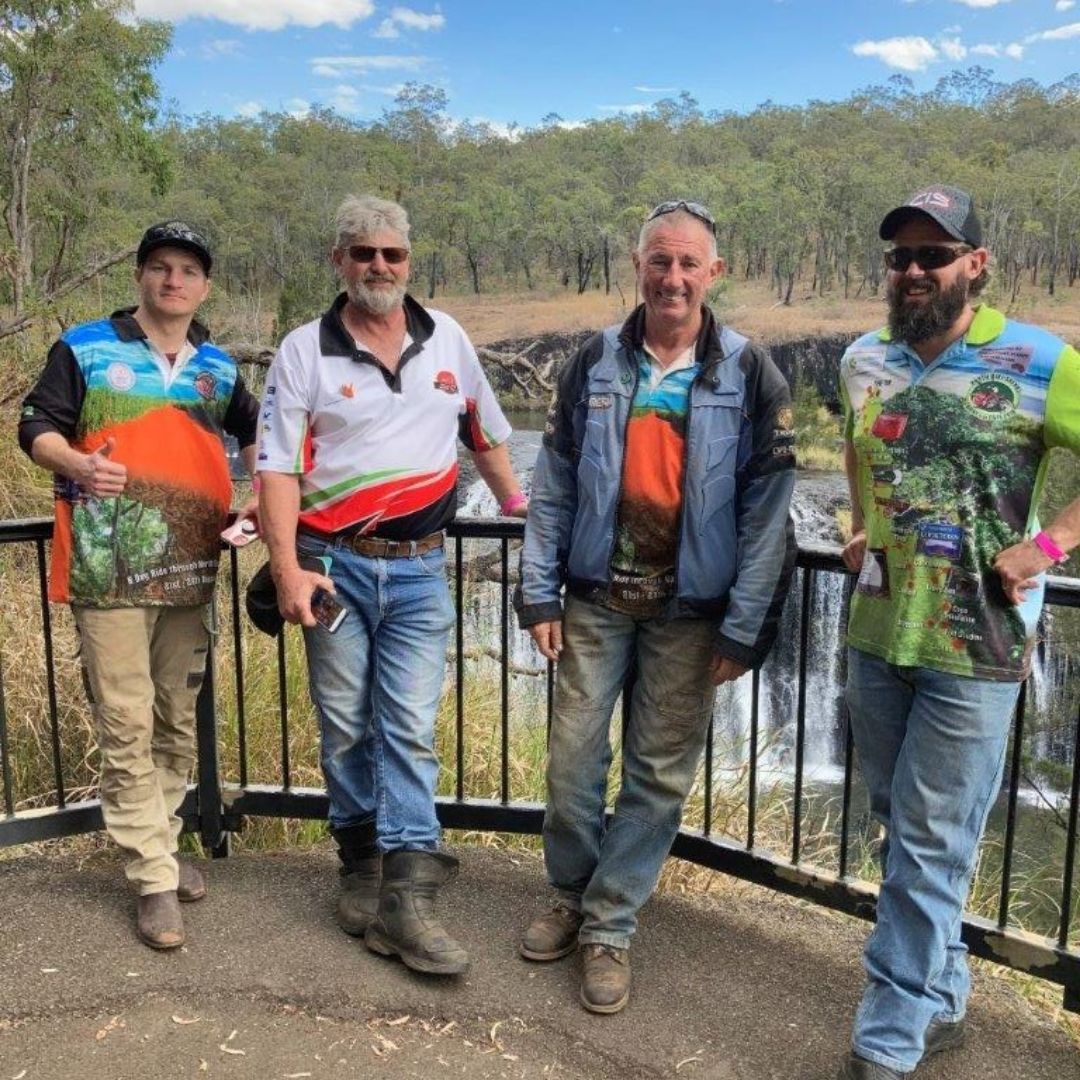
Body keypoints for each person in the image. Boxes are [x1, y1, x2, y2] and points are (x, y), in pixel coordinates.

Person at [515, 199, 797, 1013]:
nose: (673, 278)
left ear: (715, 273)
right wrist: (537, 592)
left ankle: (609, 924)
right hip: (596, 601)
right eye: (659, 261)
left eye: (688, 264)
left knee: (657, 775)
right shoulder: (594, 362)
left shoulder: (751, 373)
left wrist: (744, 629)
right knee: (572, 762)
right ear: (637, 266)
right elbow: (554, 487)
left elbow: (767, 518)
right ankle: (570, 894)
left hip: (691, 614)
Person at [837, 184, 1080, 1079]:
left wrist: (1046, 546)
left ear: (975, 264)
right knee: (897, 827)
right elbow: (859, 447)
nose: (913, 270)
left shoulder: (1042, 360)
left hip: (978, 647)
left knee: (930, 846)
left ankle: (886, 1041)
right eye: (900, 256)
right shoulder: (862, 358)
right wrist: (858, 521)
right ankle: (941, 999)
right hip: (876, 632)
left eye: (933, 256)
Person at [257, 194, 527, 977]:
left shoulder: (449, 340)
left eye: (393, 254)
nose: (380, 266)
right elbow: (277, 468)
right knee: (346, 725)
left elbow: (485, 434)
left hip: (420, 570)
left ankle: (408, 898)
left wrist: (520, 511)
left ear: (410, 260)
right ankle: (360, 864)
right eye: (364, 253)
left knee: (407, 727)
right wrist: (287, 570)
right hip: (333, 567)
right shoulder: (304, 350)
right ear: (339, 260)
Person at [18, 221, 260, 949]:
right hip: (107, 570)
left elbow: (261, 430)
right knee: (126, 721)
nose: (173, 281)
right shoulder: (86, 348)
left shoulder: (217, 366)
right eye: (160, 267)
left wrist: (254, 493)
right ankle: (154, 876)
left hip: (191, 570)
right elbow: (36, 427)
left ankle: (161, 842)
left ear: (205, 286)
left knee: (176, 720)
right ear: (140, 277)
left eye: (187, 270)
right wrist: (77, 464)